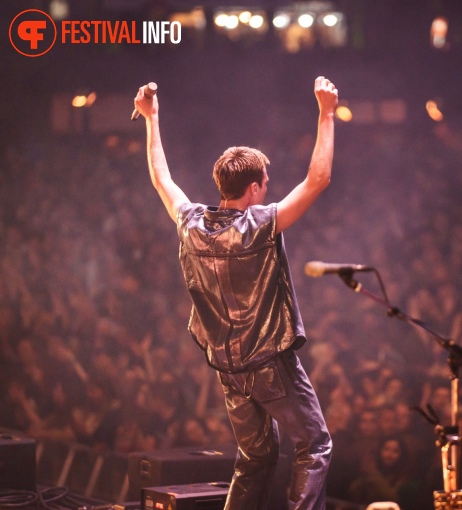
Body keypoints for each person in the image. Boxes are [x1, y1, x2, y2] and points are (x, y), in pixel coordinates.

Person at [133, 76, 338, 510]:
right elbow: (317, 179)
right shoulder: (259, 224)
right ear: (253, 189)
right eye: (265, 180)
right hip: (269, 364)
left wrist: (152, 120)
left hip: (229, 369)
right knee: (315, 445)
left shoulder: (190, 222)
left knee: (256, 455)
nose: (268, 184)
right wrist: (326, 113)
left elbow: (160, 177)